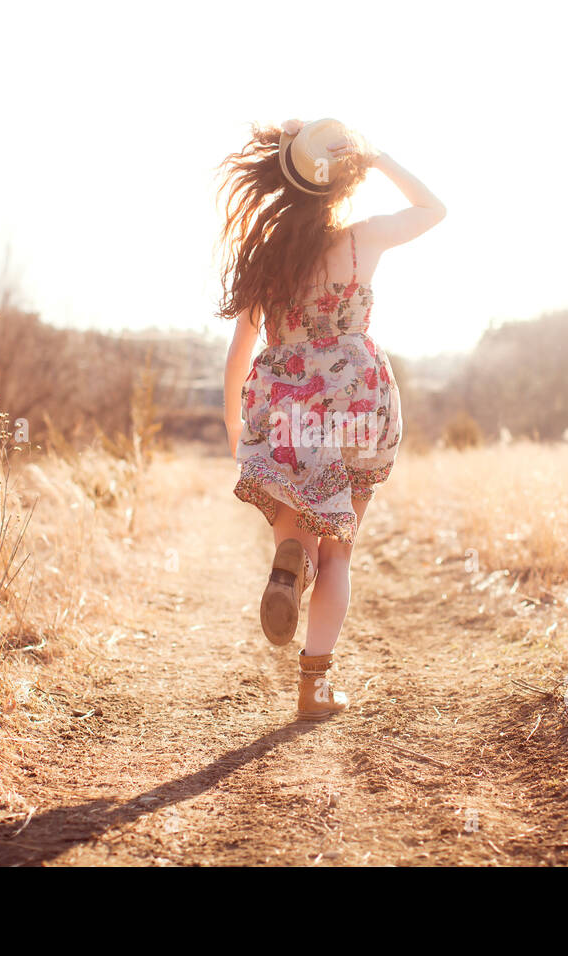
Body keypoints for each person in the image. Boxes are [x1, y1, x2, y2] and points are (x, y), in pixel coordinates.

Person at [217, 117, 446, 720]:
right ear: (340, 187)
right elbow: (433, 209)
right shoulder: (359, 240)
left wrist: (235, 427)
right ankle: (314, 689)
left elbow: (239, 354)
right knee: (340, 548)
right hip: (354, 401)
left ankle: (289, 563)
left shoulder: (266, 261)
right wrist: (380, 158)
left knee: (297, 527)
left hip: (285, 404)